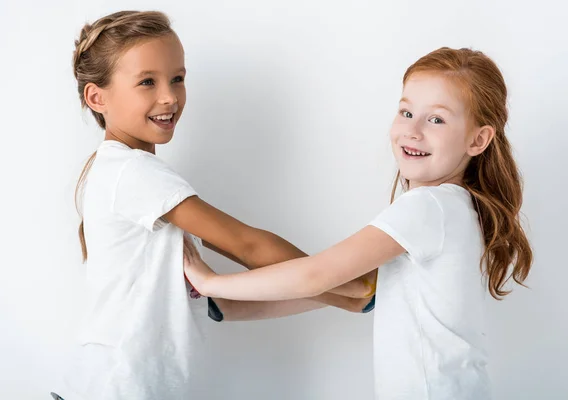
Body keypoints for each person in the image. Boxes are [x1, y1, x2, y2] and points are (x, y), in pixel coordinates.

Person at [57, 10, 375, 400]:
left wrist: (343, 297)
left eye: (178, 78)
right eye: (147, 82)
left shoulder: (124, 172)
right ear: (97, 97)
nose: (169, 96)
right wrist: (354, 286)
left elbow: (219, 290)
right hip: (119, 387)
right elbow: (247, 245)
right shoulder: (135, 174)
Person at [184, 47, 534, 400]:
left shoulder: (428, 207)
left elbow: (316, 275)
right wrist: (227, 309)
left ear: (478, 140)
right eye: (407, 112)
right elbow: (359, 291)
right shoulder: (452, 209)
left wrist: (211, 282)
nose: (412, 130)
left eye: (436, 119)